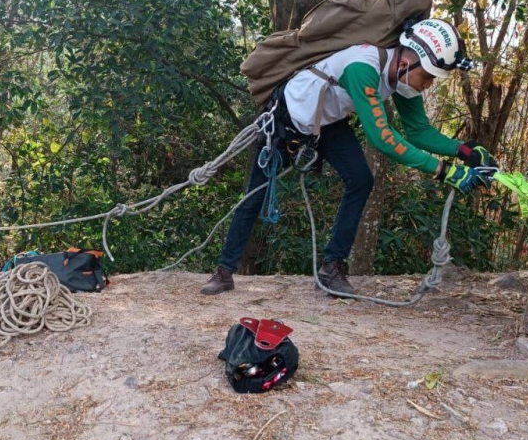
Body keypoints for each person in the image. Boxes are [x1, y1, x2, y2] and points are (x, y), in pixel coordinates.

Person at [201, 18, 496, 296]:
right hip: (284, 121)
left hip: (326, 123)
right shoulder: (362, 66)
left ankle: (331, 269)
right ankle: (224, 272)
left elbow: (418, 131)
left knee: (360, 180)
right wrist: (446, 171)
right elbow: (382, 137)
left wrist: (465, 150)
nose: (428, 84)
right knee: (254, 195)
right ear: (408, 61)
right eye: (428, 76)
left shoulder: (402, 76)